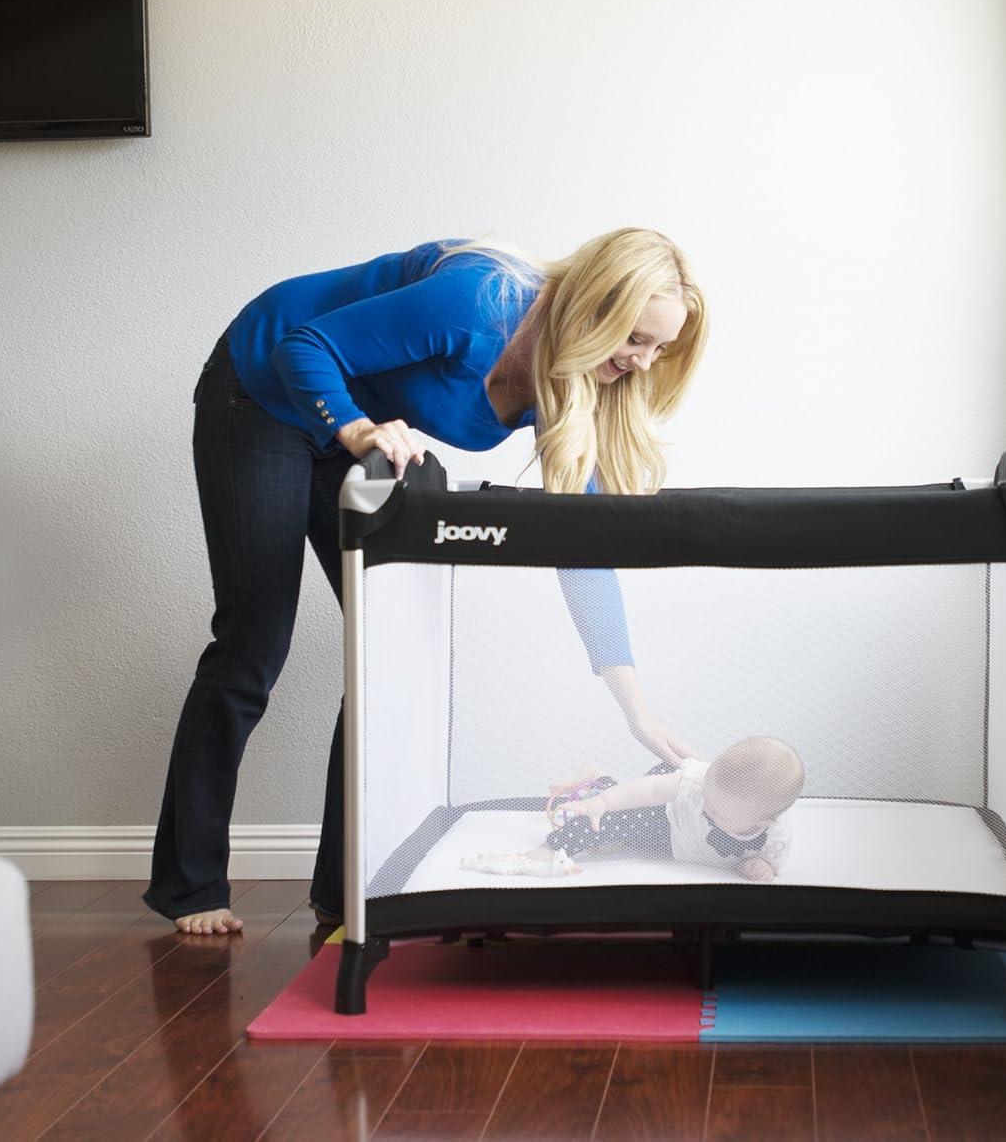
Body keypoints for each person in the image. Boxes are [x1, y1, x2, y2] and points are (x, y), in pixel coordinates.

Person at [144, 228, 709, 935]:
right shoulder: (479, 303)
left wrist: (636, 710)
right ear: (596, 304)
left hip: (357, 424)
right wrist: (355, 430)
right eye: (637, 338)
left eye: (659, 349)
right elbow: (305, 346)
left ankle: (344, 892)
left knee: (384, 657)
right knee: (253, 645)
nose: (643, 362)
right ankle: (191, 885)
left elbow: (582, 544)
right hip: (264, 389)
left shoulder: (572, 381)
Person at [460, 737, 805, 882]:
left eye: (718, 813)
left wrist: (759, 867)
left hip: (672, 848)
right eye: (708, 798)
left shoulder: (775, 838)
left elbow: (766, 864)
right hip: (667, 816)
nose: (708, 808)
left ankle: (597, 779)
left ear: (766, 820)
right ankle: (549, 848)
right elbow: (650, 790)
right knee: (606, 822)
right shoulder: (697, 784)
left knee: (620, 831)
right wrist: (602, 804)